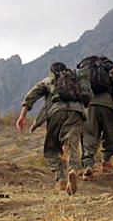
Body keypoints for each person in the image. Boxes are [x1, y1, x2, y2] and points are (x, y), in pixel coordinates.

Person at [16, 62, 92, 195]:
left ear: (52, 71)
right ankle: (73, 169)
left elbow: (31, 96)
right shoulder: (76, 80)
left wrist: (22, 116)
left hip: (56, 112)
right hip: (77, 112)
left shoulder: (49, 81)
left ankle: (61, 179)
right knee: (72, 143)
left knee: (51, 148)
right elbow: (88, 96)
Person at [78, 55, 113, 179]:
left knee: (89, 135)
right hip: (108, 105)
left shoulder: (87, 72)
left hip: (89, 106)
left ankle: (88, 166)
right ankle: (106, 162)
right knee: (109, 134)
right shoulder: (109, 70)